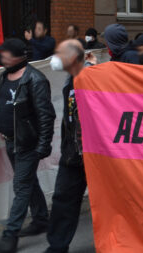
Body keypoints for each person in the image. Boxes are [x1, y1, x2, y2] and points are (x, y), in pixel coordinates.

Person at [0, 39, 55, 253]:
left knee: (21, 187)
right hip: (10, 140)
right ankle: (41, 219)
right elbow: (3, 101)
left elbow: (46, 115)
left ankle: (10, 236)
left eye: (3, 53)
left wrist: (44, 144)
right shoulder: (6, 75)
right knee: (28, 182)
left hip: (28, 144)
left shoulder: (35, 79)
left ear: (16, 56)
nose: (0, 57)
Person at [45, 39, 94, 253]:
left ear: (73, 57)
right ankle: (57, 246)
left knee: (110, 202)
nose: (55, 57)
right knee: (63, 199)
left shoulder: (95, 78)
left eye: (60, 53)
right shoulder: (69, 80)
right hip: (73, 154)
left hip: (97, 155)